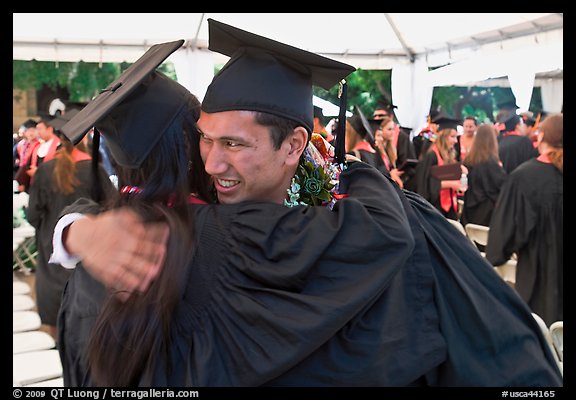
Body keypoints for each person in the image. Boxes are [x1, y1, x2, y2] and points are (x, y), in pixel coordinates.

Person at [55, 21, 562, 387]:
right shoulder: (197, 237)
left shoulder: (102, 248)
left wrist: (73, 228)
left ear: (295, 145)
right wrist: (359, 173)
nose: (211, 163)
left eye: (233, 144)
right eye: (204, 140)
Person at [26, 110, 116, 340]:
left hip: (52, 254)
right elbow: (113, 209)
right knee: (88, 327)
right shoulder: (95, 169)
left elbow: (33, 215)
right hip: (87, 258)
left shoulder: (45, 171)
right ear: (84, 137)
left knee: (57, 325)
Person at [486, 113, 563, 327]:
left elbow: (501, 241)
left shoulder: (523, 177)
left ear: (541, 138)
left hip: (539, 285)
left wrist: (496, 255)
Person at [412, 115, 467, 220]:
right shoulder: (431, 155)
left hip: (449, 204)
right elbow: (425, 185)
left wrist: (460, 169)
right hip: (435, 207)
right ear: (443, 137)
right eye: (452, 136)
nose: (456, 141)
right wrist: (451, 184)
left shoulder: (449, 154)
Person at [460, 123, 507, 227]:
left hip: (468, 212)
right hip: (486, 215)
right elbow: (503, 186)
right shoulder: (492, 163)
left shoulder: (468, 160)